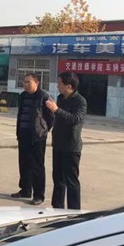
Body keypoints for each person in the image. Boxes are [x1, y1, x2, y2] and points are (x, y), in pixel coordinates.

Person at [46, 72, 87, 210]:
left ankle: (74, 210)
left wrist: (57, 110)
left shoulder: (80, 101)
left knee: (71, 181)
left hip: (71, 147)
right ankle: (57, 207)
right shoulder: (60, 98)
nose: (57, 86)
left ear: (69, 86)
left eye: (60, 83)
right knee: (58, 178)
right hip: (58, 144)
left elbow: (75, 119)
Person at [11, 73, 53, 205]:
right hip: (23, 134)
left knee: (37, 166)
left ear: (37, 83)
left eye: (29, 82)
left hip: (37, 137)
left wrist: (43, 130)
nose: (26, 84)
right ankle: (25, 189)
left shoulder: (43, 96)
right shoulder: (22, 96)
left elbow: (50, 117)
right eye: (24, 82)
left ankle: (39, 195)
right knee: (24, 163)